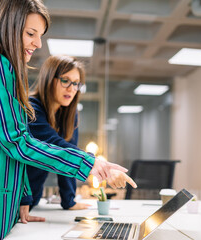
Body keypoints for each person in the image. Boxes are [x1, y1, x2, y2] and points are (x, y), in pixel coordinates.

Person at [0, 0, 127, 239]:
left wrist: (24, 196)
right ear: (9, 28)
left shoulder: (5, 70)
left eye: (40, 35)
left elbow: (10, 147)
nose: (38, 43)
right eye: (30, 34)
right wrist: (88, 163)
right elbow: (16, 142)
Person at [19, 55, 137, 219]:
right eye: (65, 80)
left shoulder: (69, 114)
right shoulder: (31, 108)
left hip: (33, 199)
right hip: (17, 198)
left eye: (76, 83)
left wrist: (69, 201)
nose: (71, 88)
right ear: (48, 79)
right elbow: (57, 146)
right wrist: (98, 166)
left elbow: (66, 157)